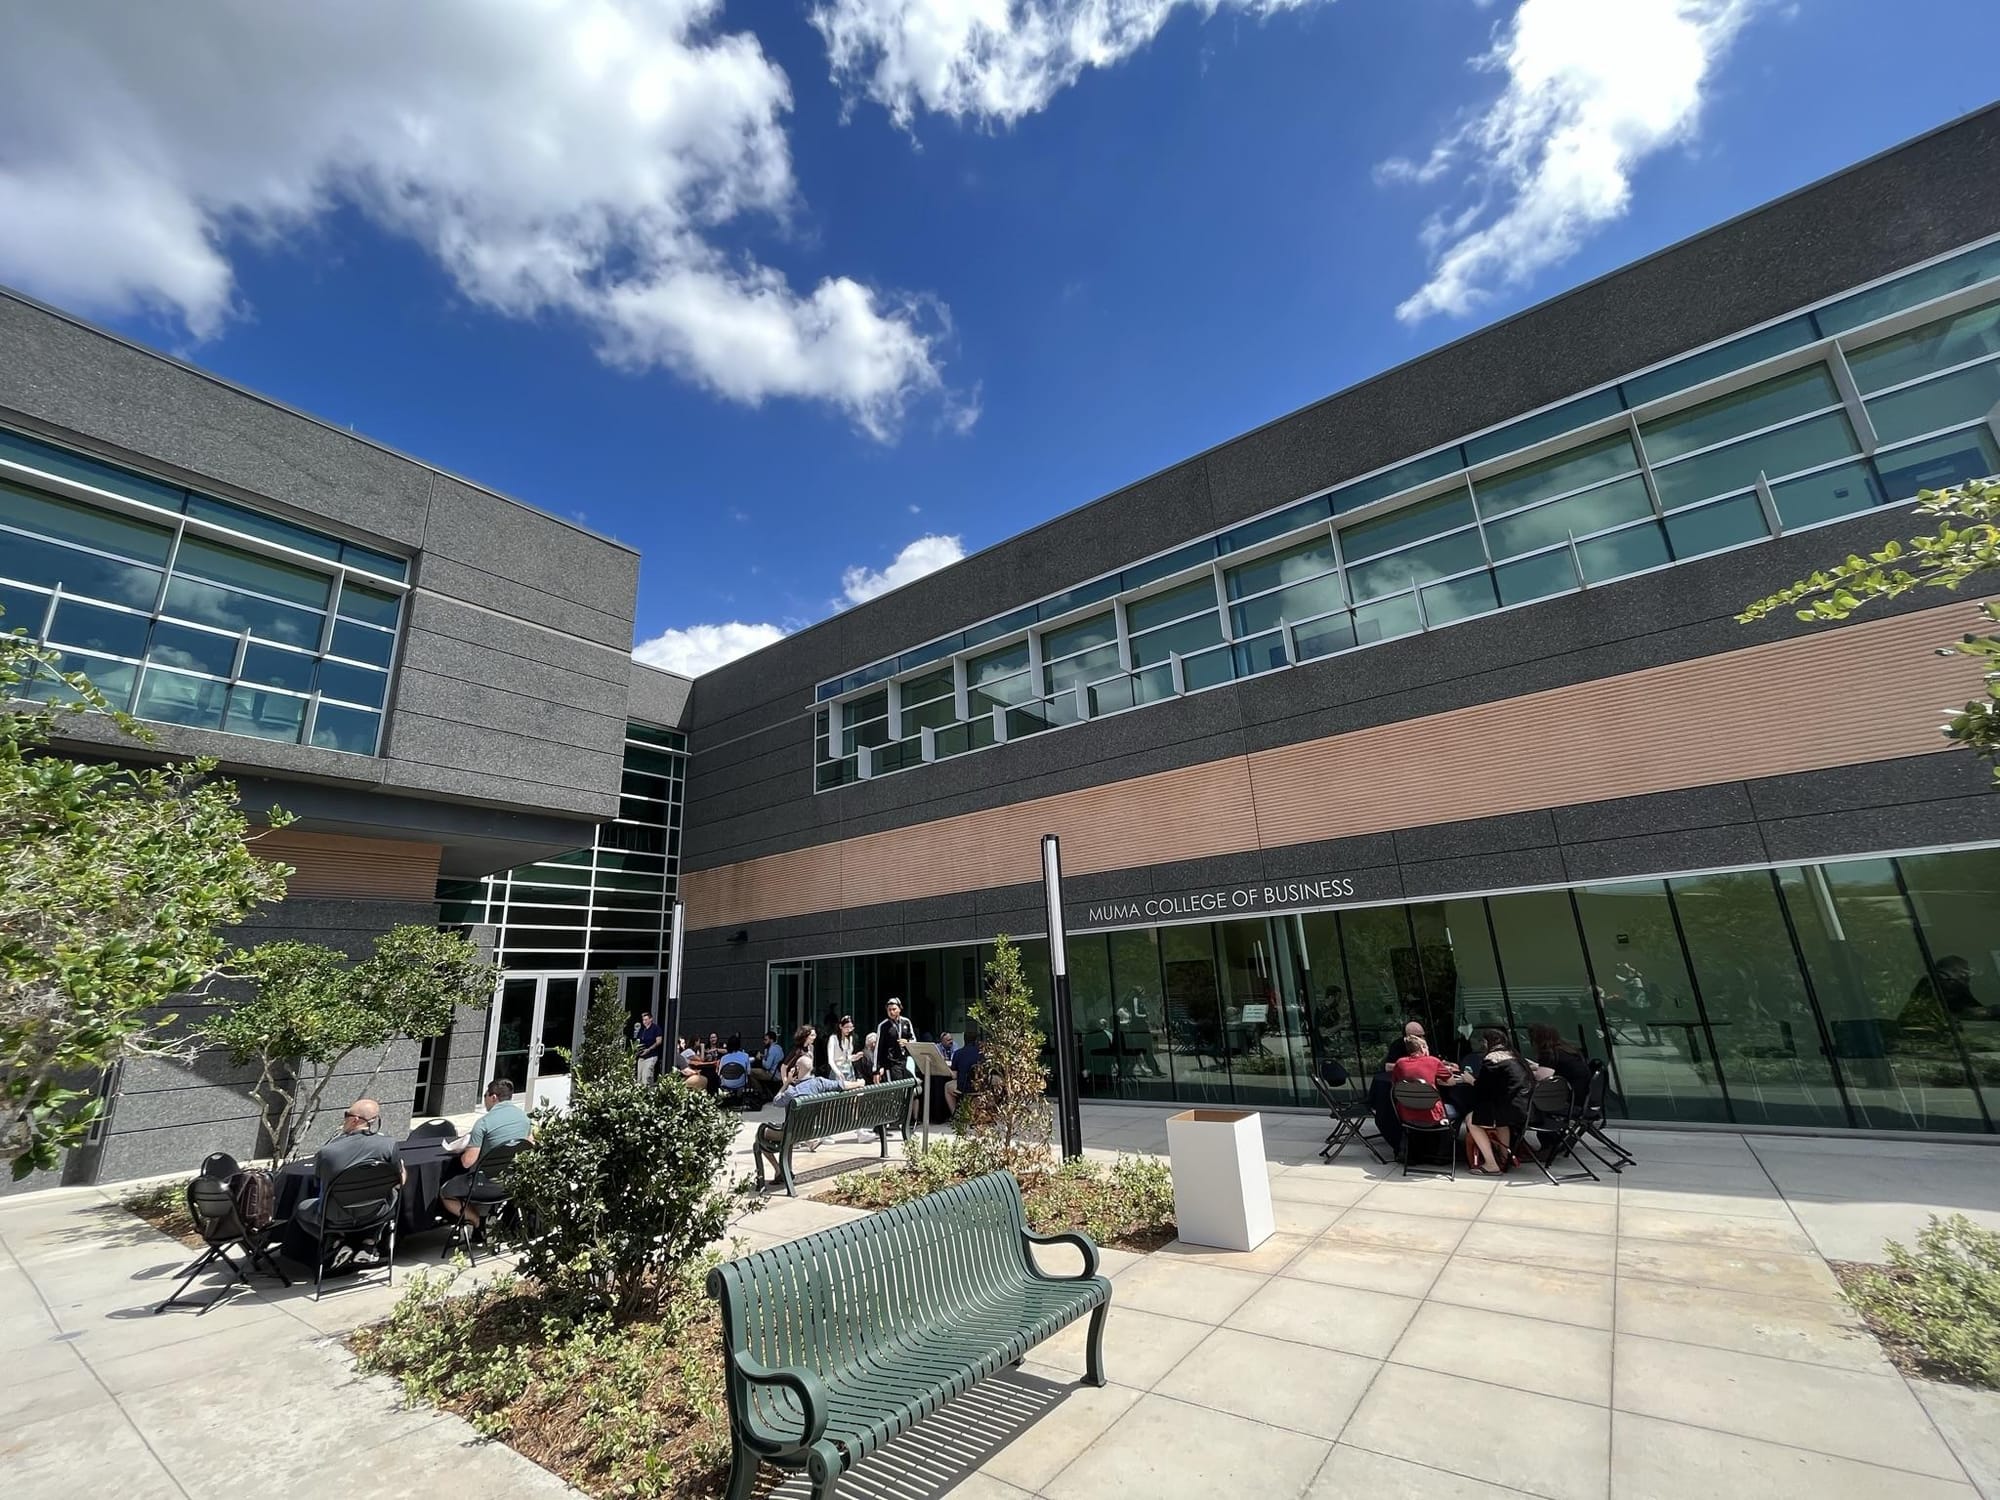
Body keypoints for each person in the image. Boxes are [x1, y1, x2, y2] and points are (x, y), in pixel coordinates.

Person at [292, 1097, 405, 1247]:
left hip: (335, 1216)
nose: (344, 1119)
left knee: (302, 1208)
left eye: (346, 1114)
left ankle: (336, 1241)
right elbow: (401, 1181)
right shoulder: (389, 1145)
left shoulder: (327, 1152)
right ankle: (369, 1243)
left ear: (355, 1120)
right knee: (392, 1194)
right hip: (376, 1211)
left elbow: (319, 1183)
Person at [440, 1079, 533, 1228]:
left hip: (485, 1185)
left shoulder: (484, 1123)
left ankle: (478, 1222)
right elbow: (529, 1146)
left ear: (493, 1097)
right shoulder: (525, 1119)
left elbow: (467, 1162)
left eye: (485, 1095)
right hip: (513, 1183)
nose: (484, 1100)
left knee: (446, 1192)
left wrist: (464, 1149)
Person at [1465, 1029, 1535, 1173]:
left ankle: (1491, 1164)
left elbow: (1483, 1087)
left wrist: (1470, 1080)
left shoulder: (1492, 1059)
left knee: (1471, 1120)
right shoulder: (1514, 1056)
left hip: (1508, 1109)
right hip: (1525, 1109)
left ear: (1487, 1042)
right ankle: (1504, 1160)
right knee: (1502, 1124)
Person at [1388, 1036, 1459, 1125]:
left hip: (1406, 1116)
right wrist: (1434, 1081)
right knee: (1459, 1108)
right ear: (1423, 1048)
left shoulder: (1400, 1063)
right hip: (1433, 1117)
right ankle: (1451, 1133)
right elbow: (1452, 1082)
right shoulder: (1433, 1061)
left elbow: (1395, 1084)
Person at [873, 998, 914, 1082]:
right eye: (889, 1010)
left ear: (900, 1009)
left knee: (909, 1086)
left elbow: (913, 1039)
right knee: (897, 1087)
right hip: (892, 1064)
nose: (891, 1012)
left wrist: (907, 1042)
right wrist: (876, 1070)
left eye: (894, 1009)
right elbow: (878, 1048)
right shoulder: (883, 1025)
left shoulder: (906, 1022)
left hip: (906, 1061)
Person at [948, 1025, 983, 1110]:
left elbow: (954, 1076)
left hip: (964, 1088)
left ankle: (955, 1114)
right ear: (976, 1040)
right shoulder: (982, 1053)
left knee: (947, 1086)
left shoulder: (958, 1053)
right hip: (981, 1086)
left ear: (964, 1040)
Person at [824, 1014, 859, 1084]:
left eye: (851, 1027)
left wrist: (854, 1057)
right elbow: (831, 1060)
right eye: (846, 1027)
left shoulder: (850, 1038)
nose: (849, 1030)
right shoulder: (833, 1038)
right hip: (837, 1070)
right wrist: (837, 1072)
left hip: (849, 1070)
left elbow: (847, 1057)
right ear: (840, 1026)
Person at [633, 1009, 664, 1087]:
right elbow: (638, 1041)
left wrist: (649, 1049)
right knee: (639, 1078)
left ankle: (648, 1091)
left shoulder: (656, 1028)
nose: (644, 1022)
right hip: (641, 1056)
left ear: (651, 1019)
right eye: (643, 1020)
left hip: (651, 1055)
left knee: (646, 1076)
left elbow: (659, 1041)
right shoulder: (642, 1030)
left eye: (646, 1019)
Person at [749, 1029, 784, 1096]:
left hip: (772, 1074)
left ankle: (760, 1092)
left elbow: (767, 1066)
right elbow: (773, 1059)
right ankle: (764, 1090)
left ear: (771, 1040)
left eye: (765, 1040)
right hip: (778, 1073)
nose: (764, 1042)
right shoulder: (778, 1048)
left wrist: (760, 1059)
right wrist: (764, 1056)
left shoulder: (772, 1049)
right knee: (756, 1072)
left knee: (750, 1071)